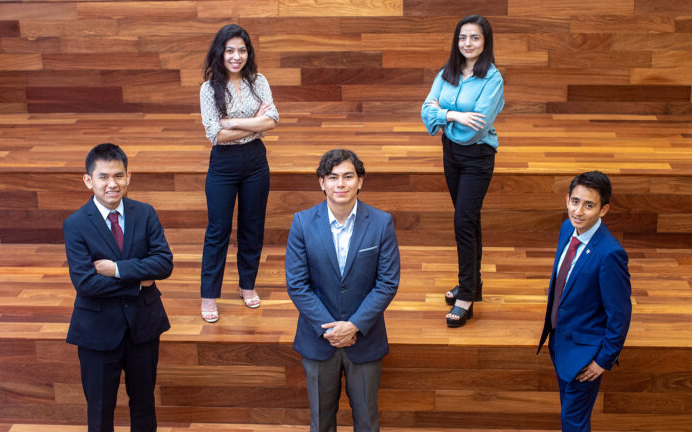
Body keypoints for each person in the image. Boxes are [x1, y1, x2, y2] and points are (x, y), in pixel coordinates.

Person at [285, 149, 400, 432]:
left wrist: (354, 326)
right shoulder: (302, 222)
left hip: (364, 339)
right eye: (333, 177)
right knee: (321, 423)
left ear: (360, 181)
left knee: (367, 422)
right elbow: (297, 284)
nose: (341, 184)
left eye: (348, 176)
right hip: (318, 340)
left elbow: (387, 283)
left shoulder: (381, 222)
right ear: (322, 183)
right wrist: (331, 330)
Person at [63, 143, 173, 432]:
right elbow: (86, 283)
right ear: (88, 180)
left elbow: (163, 264)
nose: (112, 184)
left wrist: (116, 269)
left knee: (144, 407)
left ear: (128, 177)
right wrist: (138, 282)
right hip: (97, 333)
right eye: (103, 177)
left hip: (143, 327)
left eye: (119, 176)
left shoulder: (145, 213)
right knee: (100, 413)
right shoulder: (75, 224)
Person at [420, 15, 504, 327]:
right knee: (469, 219)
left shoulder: (492, 79)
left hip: (477, 156)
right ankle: (473, 283)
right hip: (450, 154)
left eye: (475, 38)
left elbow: (476, 128)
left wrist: (442, 116)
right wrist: (454, 115)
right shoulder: (448, 72)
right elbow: (426, 111)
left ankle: (466, 297)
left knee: (463, 221)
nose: (468, 43)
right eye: (462, 38)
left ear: (486, 42)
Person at [537, 171, 632, 432]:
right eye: (575, 201)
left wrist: (603, 360)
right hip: (560, 343)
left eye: (589, 205)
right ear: (567, 199)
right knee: (571, 416)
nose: (578, 211)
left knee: (573, 423)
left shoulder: (610, 254)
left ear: (604, 210)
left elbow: (620, 314)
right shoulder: (567, 228)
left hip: (584, 357)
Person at [199, 23, 279, 321]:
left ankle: (247, 285)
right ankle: (209, 295)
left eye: (242, 50)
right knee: (218, 230)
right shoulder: (208, 89)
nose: (236, 56)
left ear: (249, 53)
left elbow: (272, 120)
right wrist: (253, 124)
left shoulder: (259, 81)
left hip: (256, 162)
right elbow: (215, 135)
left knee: (252, 227)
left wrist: (231, 122)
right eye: (230, 50)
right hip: (223, 164)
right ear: (220, 53)